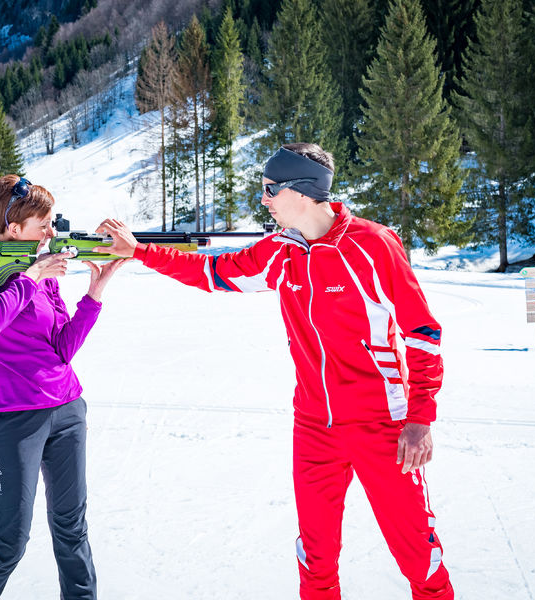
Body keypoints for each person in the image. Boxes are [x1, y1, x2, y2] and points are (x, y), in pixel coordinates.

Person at [95, 143, 454, 600]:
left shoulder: (372, 244)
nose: (263, 199)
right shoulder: (281, 251)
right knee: (315, 560)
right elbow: (214, 272)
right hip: (315, 428)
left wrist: (420, 418)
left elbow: (423, 333)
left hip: (382, 425)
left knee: (419, 557)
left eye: (270, 189)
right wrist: (140, 252)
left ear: (302, 191)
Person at [0, 174, 127, 600]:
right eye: (43, 225)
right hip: (13, 420)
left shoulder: (42, 272)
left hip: (67, 410)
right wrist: (31, 276)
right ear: (14, 228)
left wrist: (95, 293)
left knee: (72, 529)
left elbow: (63, 348)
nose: (51, 233)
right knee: (9, 542)